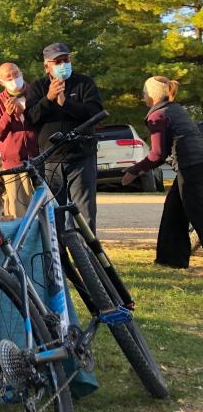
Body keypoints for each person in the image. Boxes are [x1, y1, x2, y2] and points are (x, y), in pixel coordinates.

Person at [122, 76, 203, 268]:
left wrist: (135, 170)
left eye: (144, 93)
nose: (143, 98)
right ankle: (171, 260)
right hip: (193, 165)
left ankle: (172, 259)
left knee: (198, 213)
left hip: (191, 167)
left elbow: (158, 154)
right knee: (174, 211)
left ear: (151, 95)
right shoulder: (174, 109)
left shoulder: (157, 116)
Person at [25, 42, 104, 231]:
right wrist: (49, 98)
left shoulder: (84, 83)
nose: (63, 65)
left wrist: (66, 103)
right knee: (54, 213)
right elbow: (31, 117)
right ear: (47, 66)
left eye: (66, 60)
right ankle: (60, 258)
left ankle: (87, 258)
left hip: (81, 156)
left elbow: (95, 112)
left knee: (85, 213)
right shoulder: (38, 87)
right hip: (52, 159)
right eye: (57, 61)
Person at [0, 62, 39, 217]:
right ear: (1, 82)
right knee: (20, 214)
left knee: (44, 212)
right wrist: (7, 115)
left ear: (21, 73)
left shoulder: (36, 94)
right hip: (14, 166)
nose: (13, 79)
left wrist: (27, 111)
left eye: (16, 74)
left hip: (40, 160)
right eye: (8, 77)